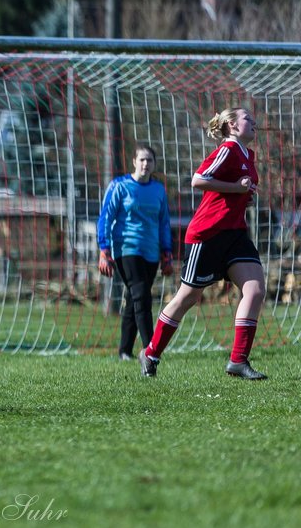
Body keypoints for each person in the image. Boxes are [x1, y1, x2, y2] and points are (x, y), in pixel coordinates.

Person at [140, 107, 267, 380]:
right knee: (189, 297)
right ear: (232, 126)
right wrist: (237, 188)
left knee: (255, 289)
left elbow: (237, 189)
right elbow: (199, 180)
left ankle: (238, 361)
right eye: (247, 118)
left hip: (234, 234)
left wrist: (245, 195)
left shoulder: (248, 155)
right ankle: (151, 351)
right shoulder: (228, 149)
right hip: (207, 235)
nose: (254, 122)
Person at [96, 145, 173, 360]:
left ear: (154, 164)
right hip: (126, 249)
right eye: (142, 159)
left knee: (134, 298)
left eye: (149, 160)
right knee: (142, 295)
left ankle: (124, 350)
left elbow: (164, 222)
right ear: (134, 161)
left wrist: (167, 253)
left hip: (151, 253)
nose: (145, 164)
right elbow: (105, 218)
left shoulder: (158, 190)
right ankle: (150, 350)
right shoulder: (119, 186)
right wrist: (104, 250)